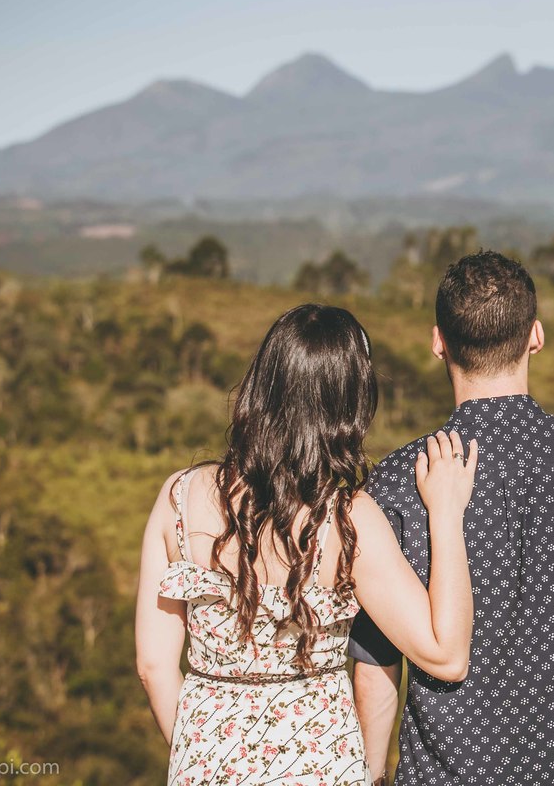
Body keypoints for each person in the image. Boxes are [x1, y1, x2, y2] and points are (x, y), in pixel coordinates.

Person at [350, 251, 554, 786]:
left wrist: (369, 772)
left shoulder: (397, 483)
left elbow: (376, 664)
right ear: (536, 337)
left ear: (438, 342)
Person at [134, 304, 479, 786]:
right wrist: (445, 512)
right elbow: (447, 656)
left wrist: (205, 754)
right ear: (350, 404)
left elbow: (153, 666)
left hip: (205, 767)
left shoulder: (179, 497)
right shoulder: (349, 519)